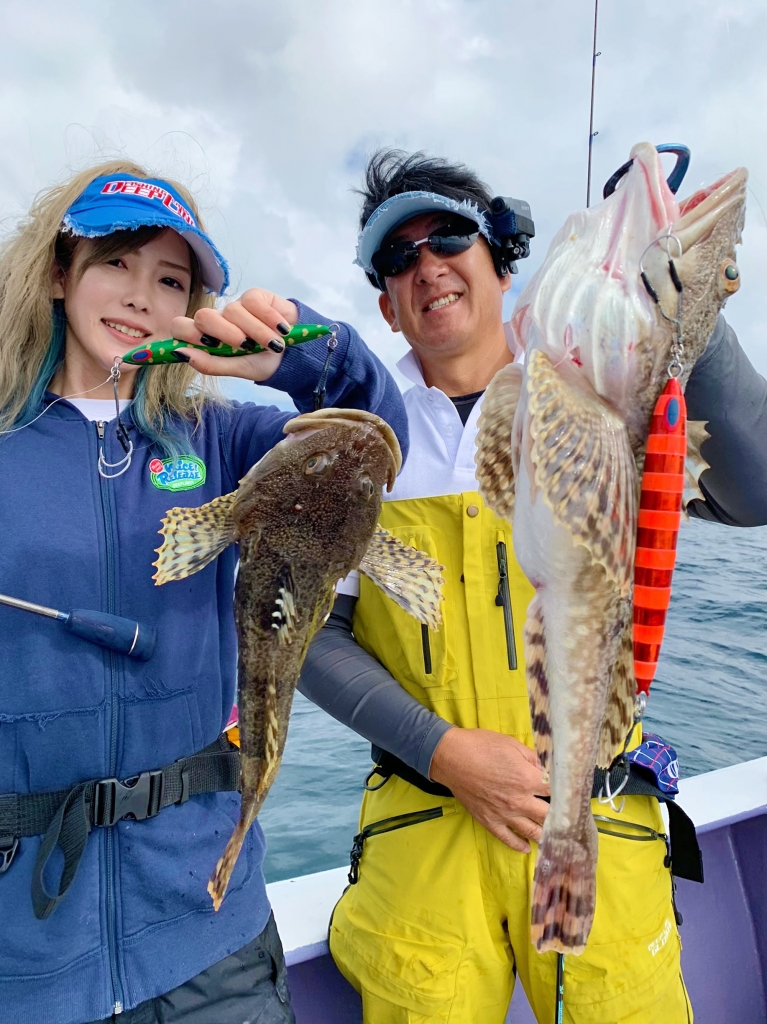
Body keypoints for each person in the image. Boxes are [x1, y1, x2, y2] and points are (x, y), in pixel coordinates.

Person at [298, 150, 767, 1023]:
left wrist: (692, 327)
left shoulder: (611, 388)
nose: (427, 266)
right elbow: (312, 637)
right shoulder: (356, 437)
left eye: (449, 238)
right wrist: (441, 750)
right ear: (385, 305)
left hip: (599, 812)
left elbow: (756, 491)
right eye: (398, 257)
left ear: (501, 260)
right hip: (423, 824)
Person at [0, 159, 407, 1024]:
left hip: (206, 932)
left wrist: (304, 355)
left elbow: (377, 435)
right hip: (24, 949)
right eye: (116, 262)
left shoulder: (225, 439)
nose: (139, 294)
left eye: (170, 280)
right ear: (60, 272)